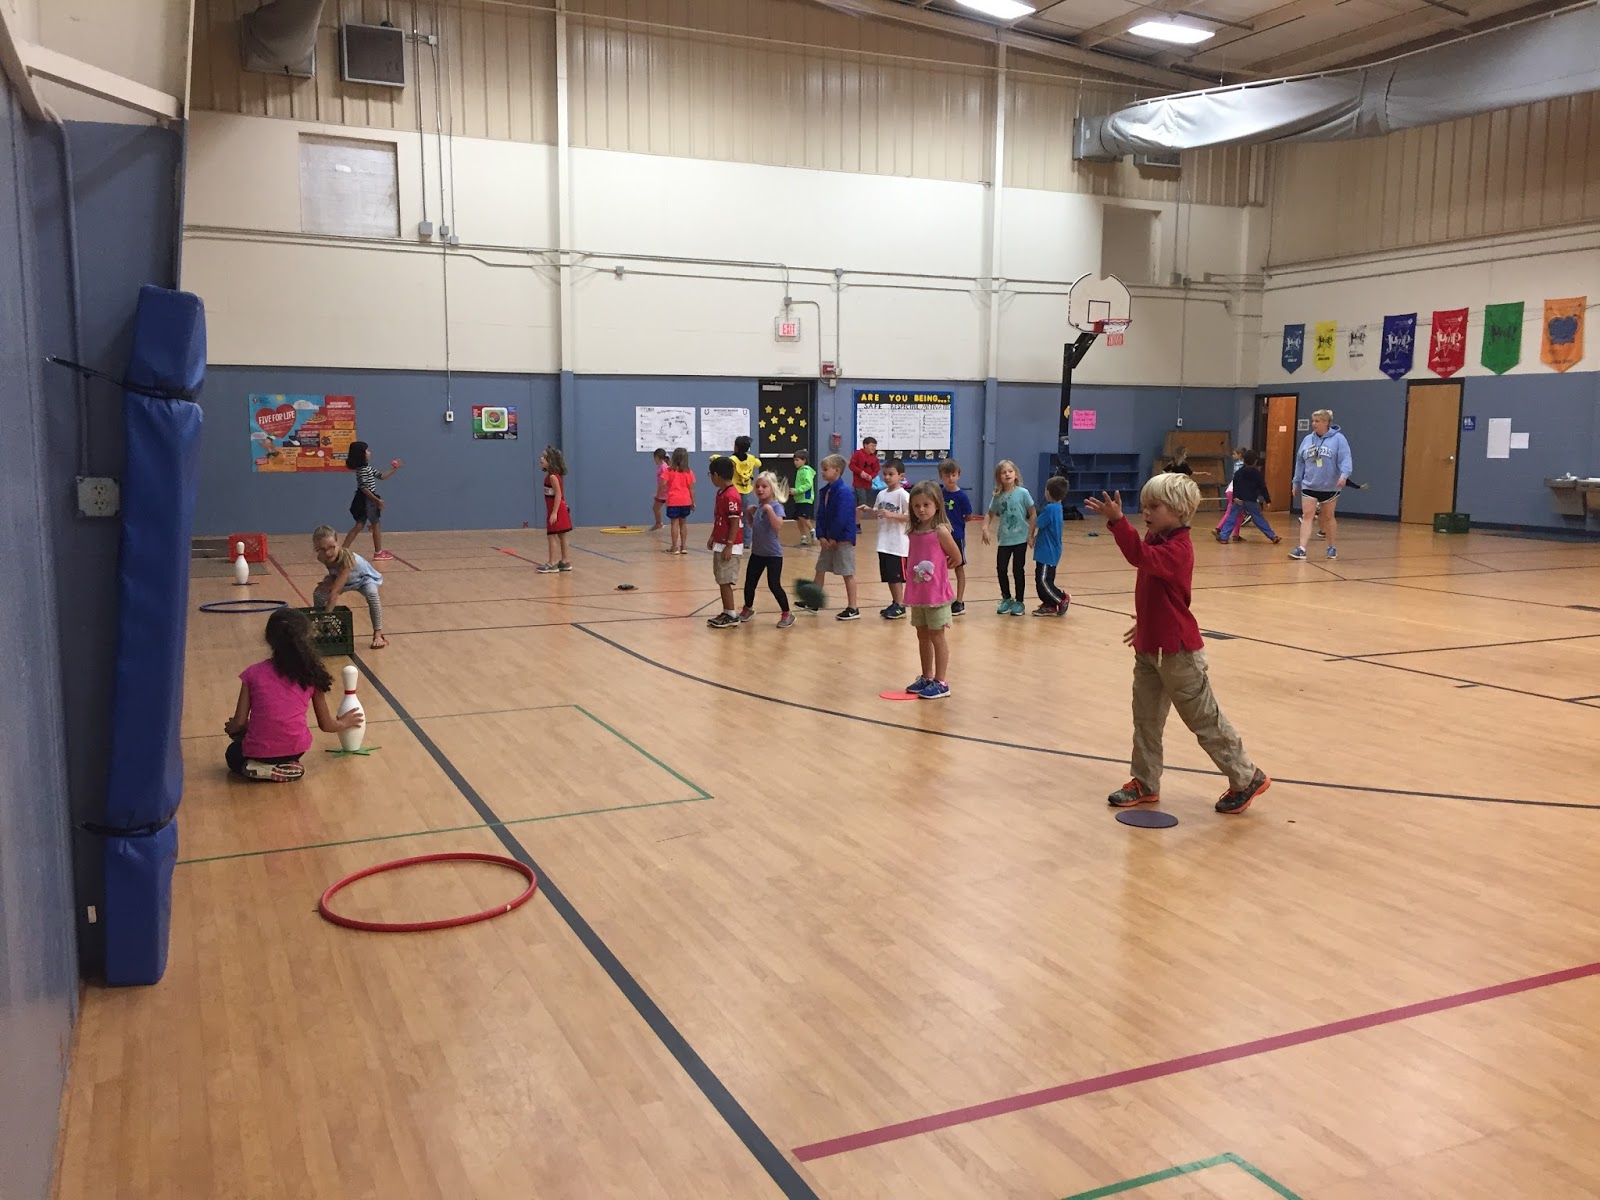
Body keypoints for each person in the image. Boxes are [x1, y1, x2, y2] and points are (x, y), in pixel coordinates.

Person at [1085, 474, 1271, 816]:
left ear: (1180, 510)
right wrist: (1146, 623)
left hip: (1179, 654)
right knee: (1146, 719)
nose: (1146, 512)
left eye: (1154, 506)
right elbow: (1159, 592)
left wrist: (1117, 522)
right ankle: (1145, 782)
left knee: (1204, 721)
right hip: (1149, 648)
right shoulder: (1158, 539)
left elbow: (1140, 558)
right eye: (1144, 506)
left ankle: (1247, 776)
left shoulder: (1177, 548)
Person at [223, 608, 363, 781]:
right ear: (306, 638)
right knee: (278, 744)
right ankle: (285, 765)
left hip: (259, 750)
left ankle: (259, 767)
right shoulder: (311, 674)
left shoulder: (253, 673)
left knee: (232, 753)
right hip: (295, 748)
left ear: (268, 639)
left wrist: (235, 729)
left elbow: (239, 722)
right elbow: (326, 725)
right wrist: (344, 722)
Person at [902, 481, 961, 700]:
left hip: (936, 595)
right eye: (917, 506)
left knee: (937, 636)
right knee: (922, 635)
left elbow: (956, 557)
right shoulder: (914, 531)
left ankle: (941, 681)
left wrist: (940, 573)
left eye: (926, 504)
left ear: (936, 505)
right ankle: (926, 676)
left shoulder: (941, 532)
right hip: (919, 594)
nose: (921, 510)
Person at [1289, 409, 1353, 561]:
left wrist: (1344, 475)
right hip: (1309, 484)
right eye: (1313, 421)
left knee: (1328, 517)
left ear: (1326, 422)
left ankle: (1331, 547)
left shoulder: (1338, 439)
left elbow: (1346, 459)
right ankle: (1302, 548)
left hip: (1329, 486)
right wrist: (1296, 482)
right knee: (1307, 516)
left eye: (1317, 421)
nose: (1314, 424)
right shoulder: (1307, 440)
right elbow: (1300, 462)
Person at [804, 453, 860, 620]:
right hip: (828, 539)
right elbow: (820, 515)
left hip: (842, 540)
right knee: (820, 569)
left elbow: (841, 517)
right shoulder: (825, 491)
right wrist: (821, 535)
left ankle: (853, 607)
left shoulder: (845, 492)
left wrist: (834, 537)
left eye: (825, 469)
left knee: (847, 572)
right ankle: (814, 600)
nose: (822, 472)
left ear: (837, 471)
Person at [312, 524, 387, 649]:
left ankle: (378, 635)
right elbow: (333, 571)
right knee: (319, 594)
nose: (328, 553)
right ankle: (324, 631)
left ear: (338, 542)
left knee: (372, 595)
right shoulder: (322, 557)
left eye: (332, 547)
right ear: (317, 549)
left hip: (364, 579)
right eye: (323, 549)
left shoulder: (347, 559)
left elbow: (335, 592)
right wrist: (328, 581)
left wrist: (327, 615)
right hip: (344, 579)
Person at [738, 472, 794, 629]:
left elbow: (777, 527)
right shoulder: (760, 507)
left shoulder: (776, 507)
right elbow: (753, 526)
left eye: (764, 486)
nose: (760, 489)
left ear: (772, 488)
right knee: (750, 583)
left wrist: (769, 510)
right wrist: (750, 513)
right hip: (757, 553)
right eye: (757, 486)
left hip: (773, 555)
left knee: (774, 584)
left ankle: (787, 613)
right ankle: (748, 608)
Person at [981, 459, 1036, 616]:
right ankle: (1006, 598)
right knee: (1001, 569)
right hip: (1004, 539)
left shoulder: (1023, 493)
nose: (1007, 474)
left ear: (1016, 474)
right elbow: (989, 514)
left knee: (1018, 569)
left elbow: (1032, 512)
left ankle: (1020, 601)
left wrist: (1031, 534)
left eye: (1010, 471)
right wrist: (985, 528)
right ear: (999, 477)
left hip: (1020, 538)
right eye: (1003, 472)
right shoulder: (998, 496)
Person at [863, 458, 909, 619]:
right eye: (885, 474)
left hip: (898, 543)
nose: (887, 477)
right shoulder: (881, 494)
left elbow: (911, 517)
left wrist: (892, 515)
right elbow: (878, 512)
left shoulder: (903, 495)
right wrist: (869, 510)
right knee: (889, 575)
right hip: (883, 542)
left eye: (891, 474)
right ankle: (895, 602)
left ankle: (900, 605)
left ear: (901, 476)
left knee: (896, 576)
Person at [705, 457, 746, 629]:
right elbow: (720, 519)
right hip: (720, 542)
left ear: (716, 475)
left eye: (710, 475)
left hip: (730, 545)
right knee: (721, 578)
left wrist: (729, 544)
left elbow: (735, 522)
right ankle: (726, 610)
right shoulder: (721, 493)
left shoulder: (731, 495)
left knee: (725, 580)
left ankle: (731, 613)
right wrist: (713, 536)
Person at [341, 441, 401, 560]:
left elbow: (381, 476)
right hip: (366, 500)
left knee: (359, 525)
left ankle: (343, 551)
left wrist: (394, 469)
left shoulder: (367, 468)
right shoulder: (362, 470)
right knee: (376, 524)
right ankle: (378, 553)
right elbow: (364, 488)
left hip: (367, 499)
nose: (370, 452)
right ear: (361, 454)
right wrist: (376, 500)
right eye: (367, 451)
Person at [1216, 449, 1280, 543]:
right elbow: (1263, 487)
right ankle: (1272, 536)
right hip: (1251, 500)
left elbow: (1235, 486)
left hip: (1239, 500)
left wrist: (1235, 497)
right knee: (1259, 519)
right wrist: (1268, 500)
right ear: (1255, 462)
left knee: (1232, 518)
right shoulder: (1257, 474)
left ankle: (1224, 537)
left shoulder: (1239, 473)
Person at [1032, 476, 1071, 616]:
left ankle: (1060, 599)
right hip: (1050, 551)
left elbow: (1038, 523)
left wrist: (1030, 534)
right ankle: (1050, 604)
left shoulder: (1049, 509)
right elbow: (1045, 528)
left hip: (1047, 552)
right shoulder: (1057, 508)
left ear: (1048, 492)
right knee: (1045, 579)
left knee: (1043, 581)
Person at [938, 458, 972, 616]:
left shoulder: (962, 496)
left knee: (959, 567)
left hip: (957, 536)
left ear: (958, 475)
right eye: (946, 475)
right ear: (941, 476)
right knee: (940, 567)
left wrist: (957, 525)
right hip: (941, 536)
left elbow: (968, 516)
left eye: (953, 475)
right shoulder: (939, 494)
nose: (950, 478)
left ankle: (959, 601)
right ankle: (941, 596)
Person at [537, 446, 573, 573]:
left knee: (551, 536)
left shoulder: (552, 477)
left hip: (556, 510)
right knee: (562, 535)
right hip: (560, 509)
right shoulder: (554, 476)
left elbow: (558, 494)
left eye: (544, 457)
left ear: (550, 461)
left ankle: (552, 563)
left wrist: (554, 513)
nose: (541, 458)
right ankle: (565, 561)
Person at [664, 447, 695, 555]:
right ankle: (683, 546)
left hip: (673, 500)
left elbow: (663, 484)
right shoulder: (689, 472)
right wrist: (693, 501)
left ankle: (674, 547)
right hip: (685, 501)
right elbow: (691, 488)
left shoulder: (668, 471)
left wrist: (662, 496)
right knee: (683, 523)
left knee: (674, 524)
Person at [1214, 446, 1245, 539]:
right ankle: (1218, 528)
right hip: (1235, 491)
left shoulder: (1238, 465)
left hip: (1231, 490)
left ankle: (1236, 534)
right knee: (1231, 512)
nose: (1232, 456)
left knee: (1239, 514)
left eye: (1234, 454)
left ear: (1240, 455)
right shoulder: (1242, 465)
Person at [731, 435, 760, 530]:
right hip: (746, 491)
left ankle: (735, 539)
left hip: (734, 491)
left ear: (736, 447)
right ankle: (747, 542)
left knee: (733, 516)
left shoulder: (732, 460)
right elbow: (759, 463)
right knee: (747, 516)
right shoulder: (751, 458)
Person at [849, 436, 881, 511]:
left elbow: (876, 470)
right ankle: (857, 520)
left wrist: (871, 476)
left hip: (868, 484)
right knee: (862, 503)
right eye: (872, 446)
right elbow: (851, 465)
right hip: (859, 483)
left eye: (875, 446)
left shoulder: (874, 458)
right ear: (865, 445)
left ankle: (857, 518)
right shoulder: (858, 454)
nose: (874, 448)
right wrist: (860, 472)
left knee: (865, 503)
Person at [792, 450, 816, 545]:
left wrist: (797, 490)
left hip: (806, 498)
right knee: (798, 518)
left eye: (797, 460)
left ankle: (813, 531)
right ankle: (803, 536)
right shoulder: (799, 471)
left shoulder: (806, 471)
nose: (795, 462)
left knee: (803, 517)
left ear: (804, 460)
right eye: (794, 460)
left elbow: (808, 484)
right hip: (799, 499)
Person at [650, 447, 669, 530]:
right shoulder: (661, 466)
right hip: (663, 493)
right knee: (655, 508)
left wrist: (658, 494)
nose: (654, 460)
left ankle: (677, 529)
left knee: (671, 512)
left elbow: (663, 483)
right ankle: (659, 523)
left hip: (665, 493)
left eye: (655, 458)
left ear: (657, 457)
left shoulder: (664, 467)